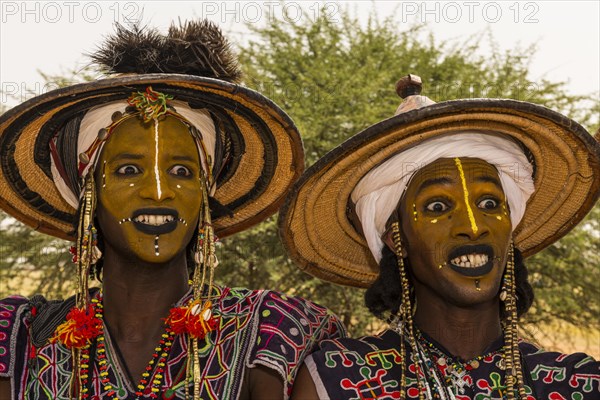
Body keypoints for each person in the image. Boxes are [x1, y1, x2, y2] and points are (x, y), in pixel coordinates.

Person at [0, 21, 345, 400]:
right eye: (129, 170)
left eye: (182, 171)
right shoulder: (24, 339)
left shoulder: (269, 333)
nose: (159, 192)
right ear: (88, 192)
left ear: (204, 194)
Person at [280, 74, 600, 399]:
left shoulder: (574, 382)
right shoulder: (335, 379)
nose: (474, 226)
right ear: (396, 238)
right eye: (437, 206)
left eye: (490, 203)